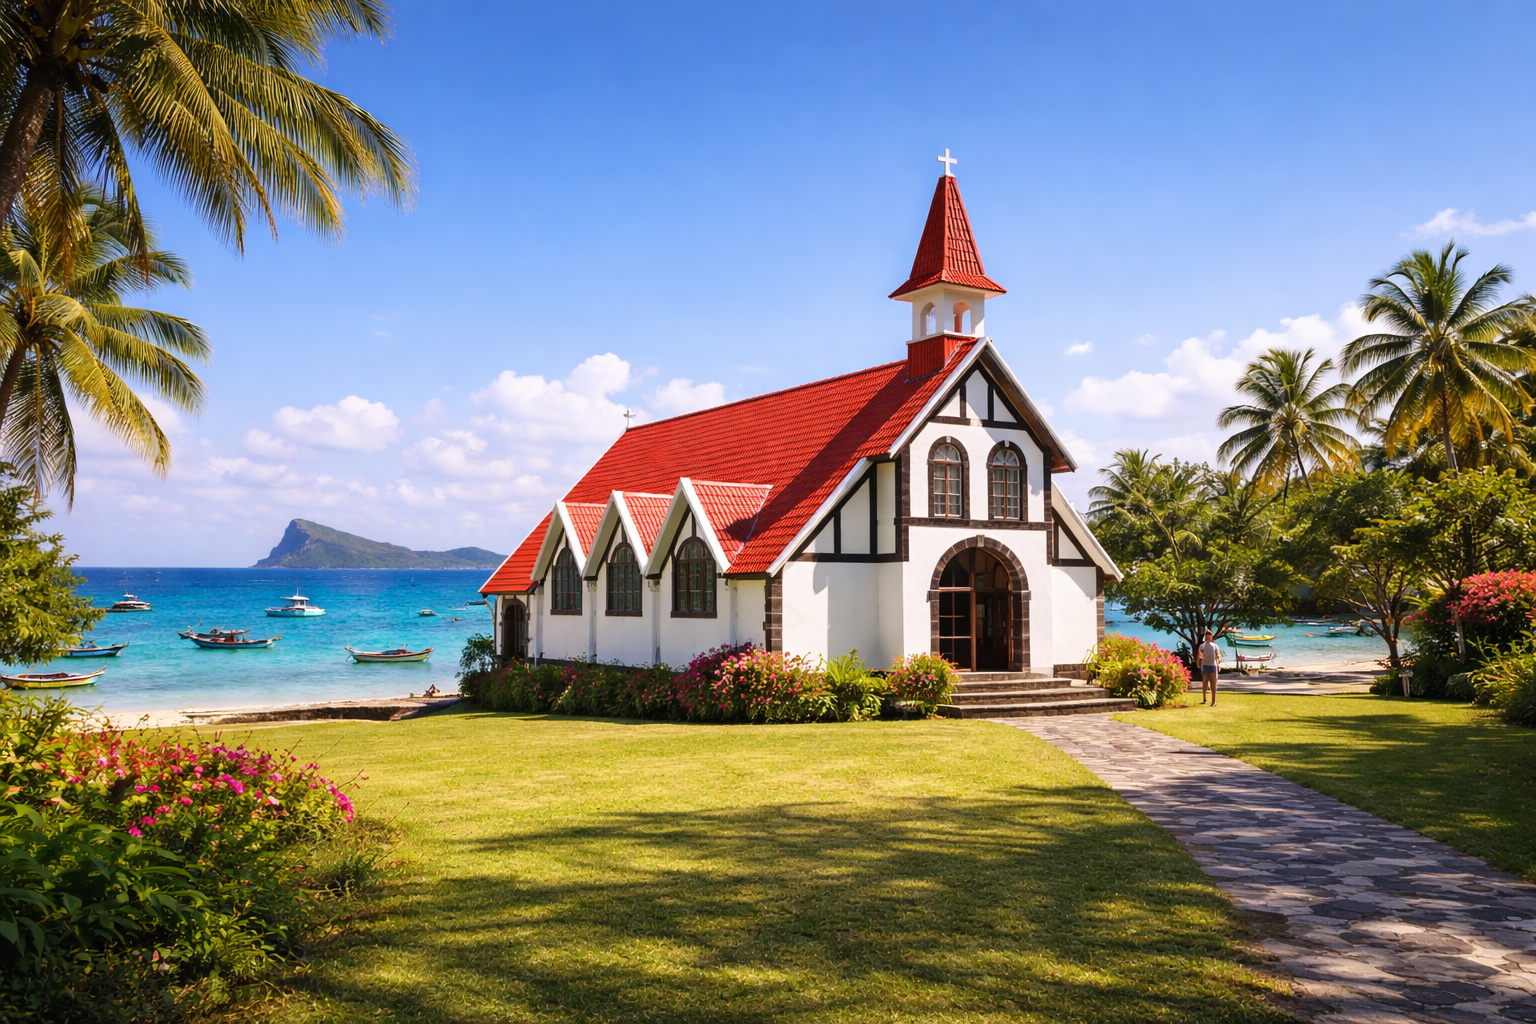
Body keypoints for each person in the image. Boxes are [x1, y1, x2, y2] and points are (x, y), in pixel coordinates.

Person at [1199, 630, 1222, 705]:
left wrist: (1217, 664)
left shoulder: (1215, 646)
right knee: (1205, 683)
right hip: (1205, 666)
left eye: (1209, 636)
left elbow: (1217, 655)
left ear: (1211, 637)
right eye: (1207, 636)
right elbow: (1200, 656)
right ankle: (1204, 699)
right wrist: (1199, 664)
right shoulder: (1202, 646)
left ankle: (1213, 701)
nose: (1208, 637)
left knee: (1213, 684)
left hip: (1213, 666)